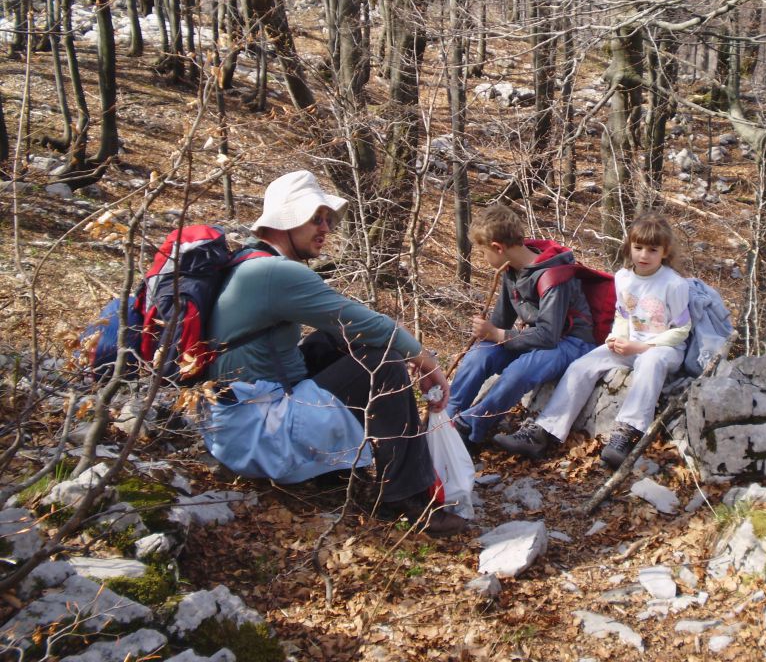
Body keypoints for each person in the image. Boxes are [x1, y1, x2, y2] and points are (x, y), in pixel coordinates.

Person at [203, 170, 466, 536]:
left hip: (235, 424)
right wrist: (426, 361)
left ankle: (339, 469)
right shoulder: (274, 273)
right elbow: (368, 324)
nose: (325, 228)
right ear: (286, 220)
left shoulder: (248, 261)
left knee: (335, 342)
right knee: (385, 363)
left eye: (327, 219)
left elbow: (345, 329)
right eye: (316, 218)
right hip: (257, 435)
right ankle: (406, 498)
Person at [493, 213, 690, 468]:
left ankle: (627, 432)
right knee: (581, 366)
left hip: (664, 347)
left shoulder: (674, 284)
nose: (644, 255)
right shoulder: (623, 277)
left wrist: (642, 347)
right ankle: (543, 432)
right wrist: (616, 337)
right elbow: (622, 313)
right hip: (630, 342)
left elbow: (683, 328)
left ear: (664, 252)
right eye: (638, 248)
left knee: (650, 363)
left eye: (652, 250)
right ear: (629, 247)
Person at [446, 204, 596, 449]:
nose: (484, 260)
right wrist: (486, 332)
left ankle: (471, 428)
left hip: (571, 342)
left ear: (498, 247)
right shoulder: (511, 270)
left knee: (519, 371)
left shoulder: (552, 276)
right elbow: (501, 321)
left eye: (483, 253)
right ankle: (447, 417)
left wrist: (496, 333)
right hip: (538, 337)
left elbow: (549, 336)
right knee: (480, 356)